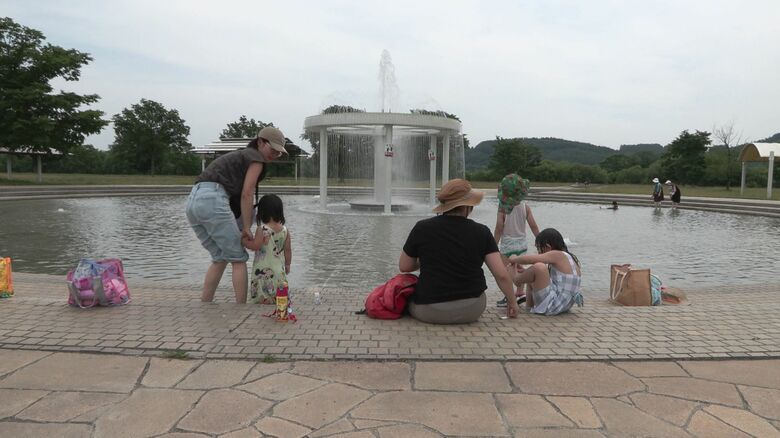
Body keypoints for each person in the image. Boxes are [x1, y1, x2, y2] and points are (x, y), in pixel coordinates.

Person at [186, 126, 288, 303]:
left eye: (278, 153)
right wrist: (247, 227)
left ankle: (206, 303)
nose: (274, 155)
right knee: (239, 258)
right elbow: (247, 192)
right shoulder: (256, 158)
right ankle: (241, 309)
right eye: (273, 150)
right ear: (261, 142)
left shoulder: (242, 155)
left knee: (220, 258)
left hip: (194, 200)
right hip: (214, 199)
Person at [399, 179, 519, 324]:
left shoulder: (422, 228)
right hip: (473, 308)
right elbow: (501, 275)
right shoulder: (482, 232)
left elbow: (404, 266)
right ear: (468, 206)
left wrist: (427, 258)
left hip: (430, 310)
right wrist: (512, 302)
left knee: (408, 298)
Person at [509, 228, 583, 316]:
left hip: (554, 304)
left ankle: (516, 279)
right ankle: (529, 307)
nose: (538, 252)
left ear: (548, 247)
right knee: (535, 272)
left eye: (539, 249)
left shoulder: (557, 254)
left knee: (539, 266)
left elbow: (531, 259)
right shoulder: (570, 258)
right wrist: (526, 272)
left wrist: (514, 259)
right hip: (563, 305)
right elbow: (551, 280)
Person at [493, 174, 539, 307]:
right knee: (520, 268)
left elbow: (499, 228)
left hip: (508, 243)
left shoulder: (502, 208)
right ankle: (520, 293)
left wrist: (492, 245)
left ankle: (509, 296)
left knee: (506, 271)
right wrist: (539, 240)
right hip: (521, 242)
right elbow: (533, 225)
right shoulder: (526, 207)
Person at [242, 194, 292, 305]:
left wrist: (244, 241)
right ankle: (279, 301)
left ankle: (262, 304)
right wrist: (288, 264)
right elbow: (288, 250)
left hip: (263, 269)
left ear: (262, 212)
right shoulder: (285, 230)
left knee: (262, 291)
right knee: (278, 289)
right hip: (279, 268)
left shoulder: (263, 229)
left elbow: (256, 246)